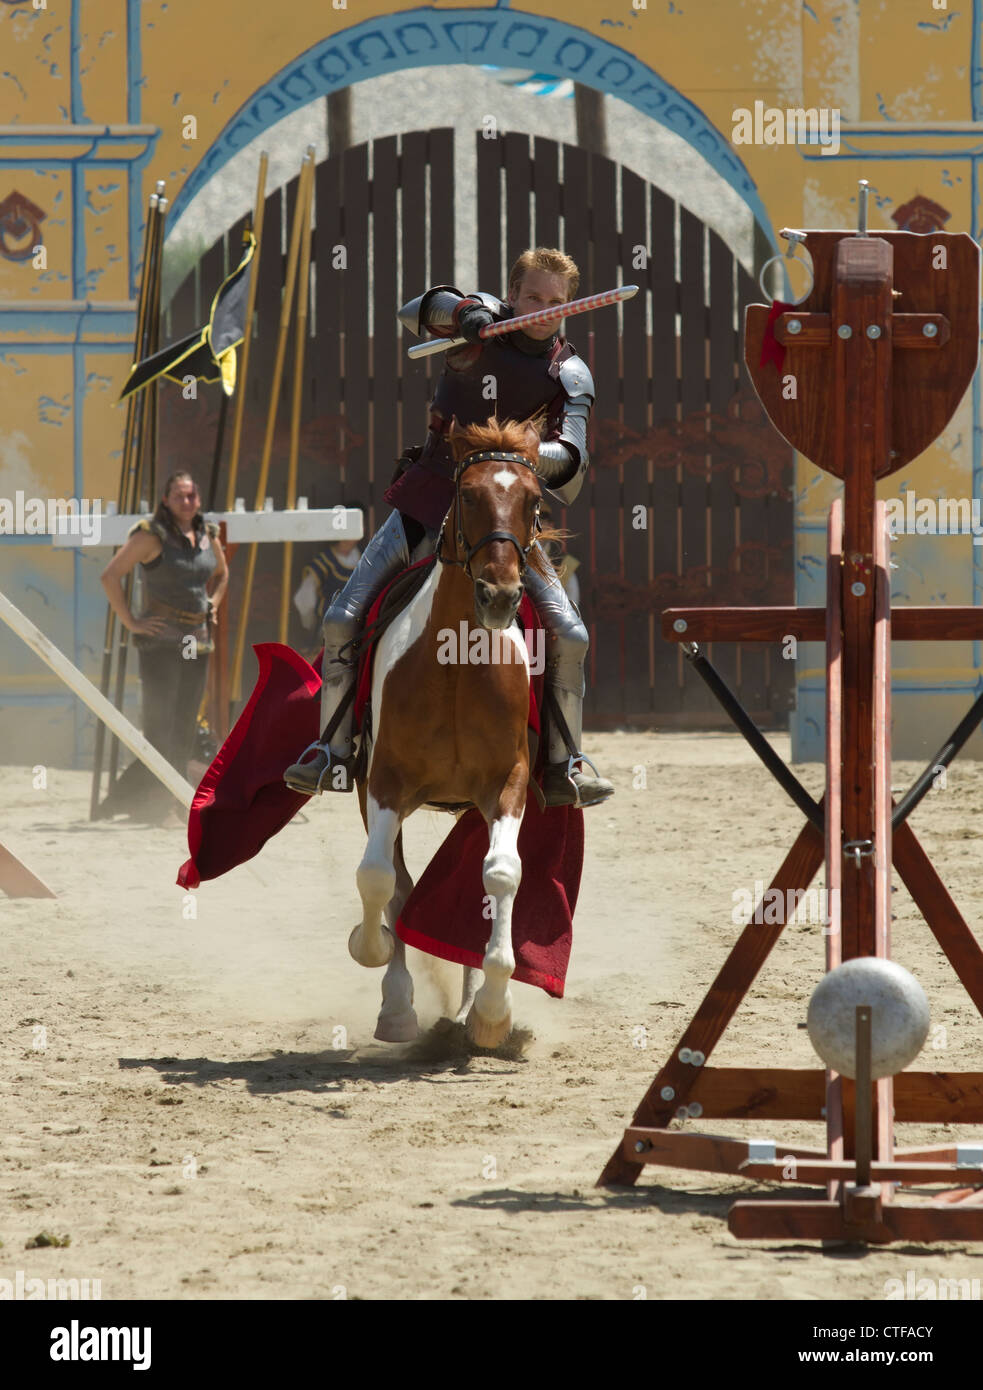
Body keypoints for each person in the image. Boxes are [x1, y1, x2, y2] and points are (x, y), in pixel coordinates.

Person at [284, 246, 614, 808]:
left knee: (572, 634)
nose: (543, 309)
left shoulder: (570, 373)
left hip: (502, 518)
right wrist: (463, 316)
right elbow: (415, 312)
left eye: (556, 302)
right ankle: (333, 751)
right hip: (429, 496)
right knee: (341, 617)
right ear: (512, 294)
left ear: (570, 308)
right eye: (533, 296)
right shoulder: (477, 324)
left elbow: (574, 462)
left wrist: (520, 456)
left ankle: (565, 761)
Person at [98, 471, 227, 825]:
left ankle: (175, 800)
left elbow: (222, 572)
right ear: (166, 500)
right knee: (160, 726)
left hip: (193, 642)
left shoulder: (206, 535)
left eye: (191, 495)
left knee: (184, 722)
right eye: (179, 495)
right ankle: (155, 803)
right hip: (162, 641)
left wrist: (213, 602)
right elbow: (110, 575)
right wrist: (131, 621)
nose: (187, 502)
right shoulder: (150, 536)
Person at [292, 507, 364, 659]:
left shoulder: (365, 560)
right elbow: (304, 599)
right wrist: (312, 624)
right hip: (327, 632)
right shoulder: (324, 562)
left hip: (360, 629)